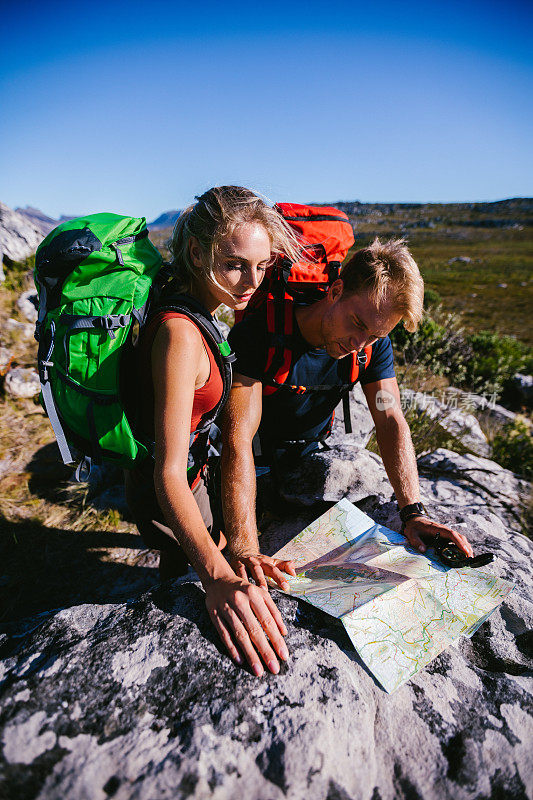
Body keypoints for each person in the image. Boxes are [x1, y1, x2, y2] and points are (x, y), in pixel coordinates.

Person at [125, 186, 301, 677]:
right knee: (192, 575)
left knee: (218, 558)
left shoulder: (198, 308)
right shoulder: (182, 334)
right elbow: (167, 472)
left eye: (263, 266)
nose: (252, 281)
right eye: (235, 264)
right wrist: (219, 578)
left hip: (192, 479)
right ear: (197, 253)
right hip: (172, 490)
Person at [221, 237, 474, 575]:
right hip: (249, 463)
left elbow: (390, 419)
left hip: (309, 458)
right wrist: (246, 551)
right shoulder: (260, 336)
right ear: (336, 290)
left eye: (375, 335)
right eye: (357, 323)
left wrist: (413, 511)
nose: (359, 343)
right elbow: (237, 438)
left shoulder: (370, 348)